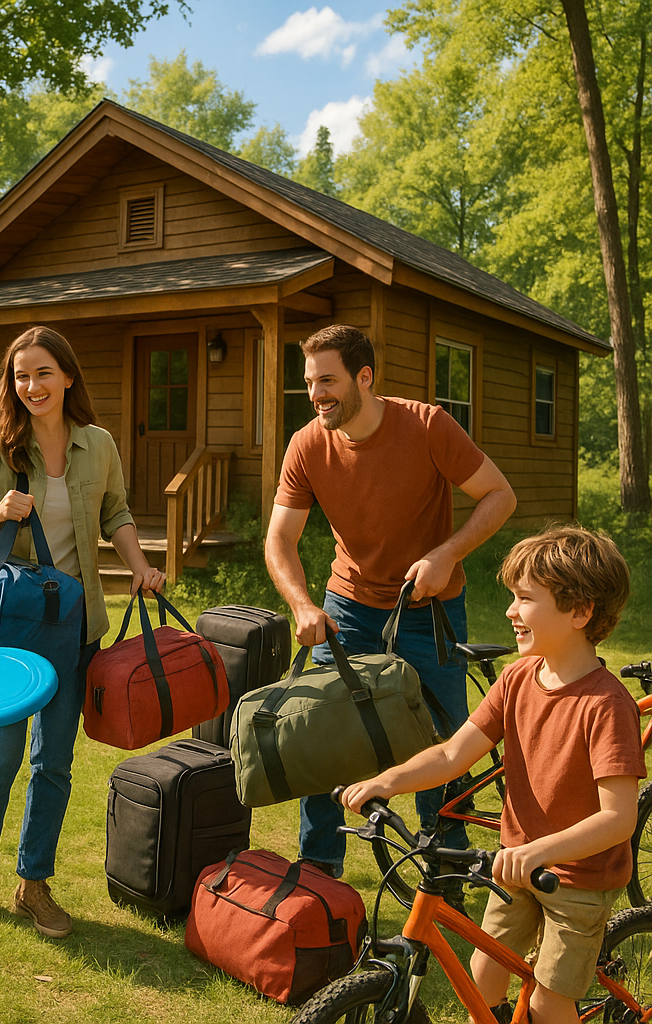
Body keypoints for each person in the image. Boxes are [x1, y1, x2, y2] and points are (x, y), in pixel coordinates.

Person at [343, 524, 643, 1024]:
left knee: (549, 1005)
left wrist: (536, 851)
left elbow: (618, 819)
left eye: (525, 599)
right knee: (483, 971)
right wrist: (387, 780)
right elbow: (452, 755)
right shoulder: (518, 678)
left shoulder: (607, 705)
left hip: (579, 878)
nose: (509, 611)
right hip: (514, 869)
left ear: (579, 612)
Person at [0, 325, 165, 939]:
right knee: (0, 756)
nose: (31, 385)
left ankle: (33, 882)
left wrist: (140, 565)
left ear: (68, 377)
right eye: (20, 375)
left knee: (54, 763)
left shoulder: (99, 445)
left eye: (42, 373)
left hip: (76, 627)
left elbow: (114, 511)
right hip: (8, 627)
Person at [264, 323, 516, 880]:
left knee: (443, 739)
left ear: (365, 376)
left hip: (431, 611)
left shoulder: (427, 426)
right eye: (308, 383)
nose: (315, 394)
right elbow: (279, 539)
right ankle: (319, 869)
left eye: (326, 381)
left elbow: (500, 494)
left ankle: (443, 868)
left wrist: (447, 554)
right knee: (324, 735)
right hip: (347, 608)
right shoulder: (307, 444)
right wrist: (304, 606)